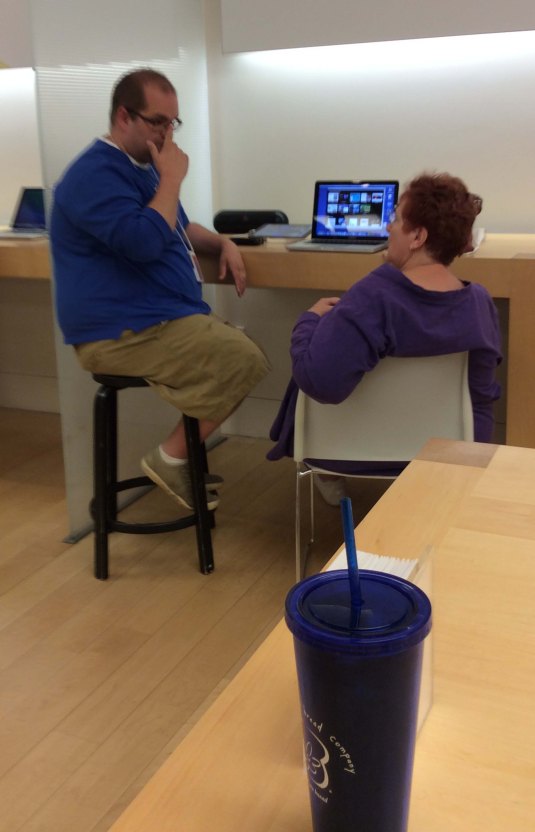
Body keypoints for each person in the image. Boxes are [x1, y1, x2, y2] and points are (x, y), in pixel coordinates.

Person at [50, 68, 270, 511]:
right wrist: (172, 178)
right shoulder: (94, 174)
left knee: (236, 349)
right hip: (119, 331)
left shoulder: (143, 167)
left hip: (156, 317)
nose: (168, 134)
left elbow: (177, 222)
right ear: (123, 117)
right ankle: (171, 457)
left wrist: (223, 241)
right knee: (242, 357)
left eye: (173, 123)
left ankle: (178, 455)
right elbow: (144, 242)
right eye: (158, 122)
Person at [268, 172, 502, 504]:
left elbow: (320, 383)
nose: (388, 227)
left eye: (395, 219)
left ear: (417, 236)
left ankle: (332, 482)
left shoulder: (373, 296)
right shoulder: (479, 302)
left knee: (323, 354)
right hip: (443, 452)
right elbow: (480, 400)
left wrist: (309, 321)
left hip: (344, 450)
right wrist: (467, 469)